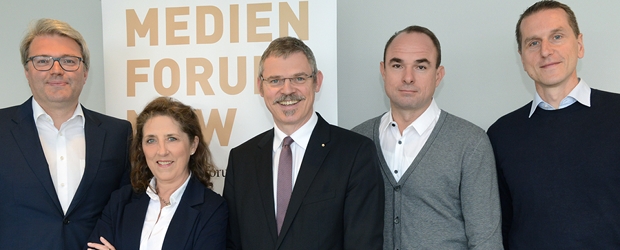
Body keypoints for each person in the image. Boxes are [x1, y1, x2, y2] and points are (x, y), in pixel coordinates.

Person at [224, 36, 384, 249]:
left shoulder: (355, 153)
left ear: (317, 81)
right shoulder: (241, 159)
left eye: (299, 78)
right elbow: (232, 242)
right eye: (275, 80)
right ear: (260, 87)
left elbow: (363, 243)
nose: (287, 90)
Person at [352, 25, 502, 249]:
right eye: (397, 65)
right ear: (383, 71)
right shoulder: (357, 141)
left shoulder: (471, 143)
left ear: (438, 74)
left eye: (421, 66)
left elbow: (485, 240)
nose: (408, 78)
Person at [487, 0, 620, 249]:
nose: (545, 51)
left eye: (557, 36)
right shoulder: (501, 135)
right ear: (522, 58)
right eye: (533, 43)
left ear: (579, 45)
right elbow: (499, 227)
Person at [0, 18, 132, 250]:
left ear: (85, 73)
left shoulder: (117, 134)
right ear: (27, 71)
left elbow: (126, 210)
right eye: (43, 61)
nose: (57, 70)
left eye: (69, 61)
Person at [87, 97, 227, 250]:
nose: (162, 151)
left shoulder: (212, 209)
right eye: (151, 140)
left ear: (193, 145)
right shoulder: (121, 201)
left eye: (172, 139)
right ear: (141, 147)